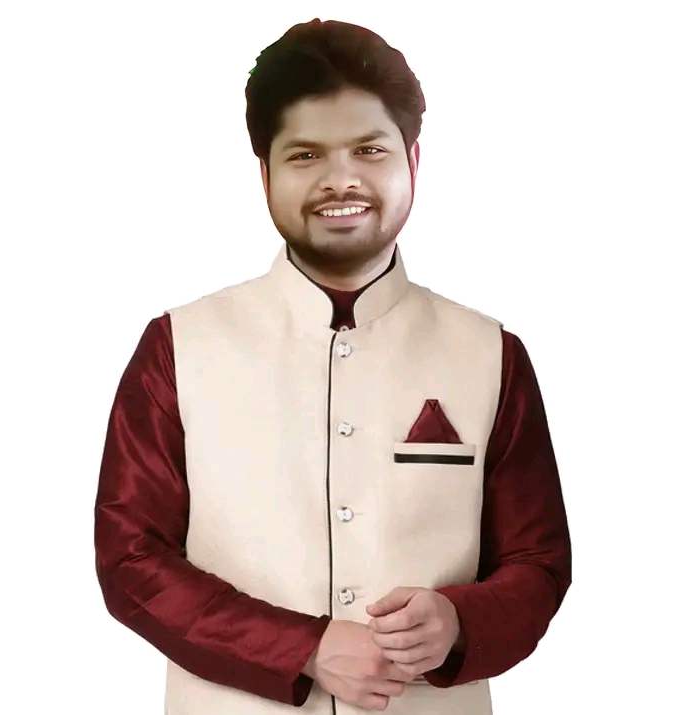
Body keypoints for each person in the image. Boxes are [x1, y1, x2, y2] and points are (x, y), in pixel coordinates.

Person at [94, 18, 571, 714]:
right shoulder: (179, 346)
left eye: (369, 149)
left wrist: (459, 622)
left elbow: (538, 564)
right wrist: (302, 647)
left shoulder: (489, 353)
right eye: (305, 154)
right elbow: (130, 558)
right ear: (264, 173)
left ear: (413, 160)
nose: (340, 179)